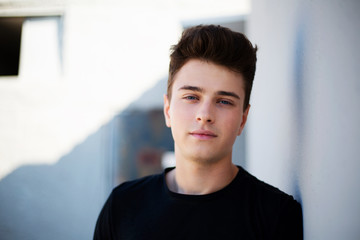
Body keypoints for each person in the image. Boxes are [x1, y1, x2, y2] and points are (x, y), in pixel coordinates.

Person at [94, 24, 303, 240]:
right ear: (168, 110)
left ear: (243, 119)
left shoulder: (276, 216)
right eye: (192, 97)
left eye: (224, 101)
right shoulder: (122, 206)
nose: (205, 115)